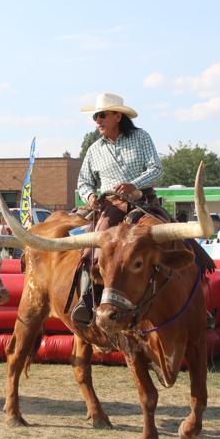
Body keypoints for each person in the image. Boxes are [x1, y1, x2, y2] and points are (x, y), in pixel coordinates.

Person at [73, 92, 163, 326]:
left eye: (102, 115)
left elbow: (157, 169)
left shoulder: (141, 137)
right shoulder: (94, 149)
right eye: (95, 116)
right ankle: (86, 300)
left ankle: (196, 301)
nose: (97, 121)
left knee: (177, 240)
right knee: (90, 252)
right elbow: (83, 181)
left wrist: (135, 185)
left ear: (117, 116)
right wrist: (90, 195)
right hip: (109, 207)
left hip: (143, 203)